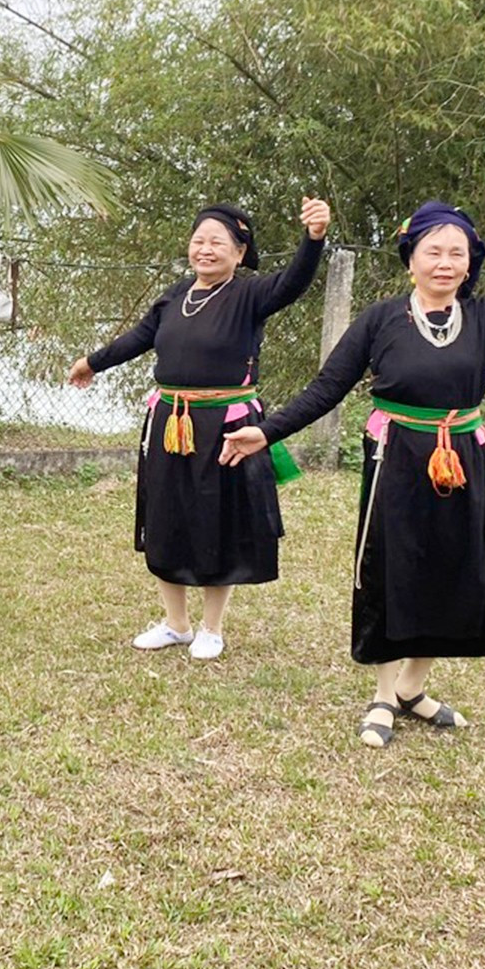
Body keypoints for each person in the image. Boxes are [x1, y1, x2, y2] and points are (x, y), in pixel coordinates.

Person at [222, 185, 485, 744]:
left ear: (470, 264)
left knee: (451, 571)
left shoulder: (484, 316)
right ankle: (384, 696)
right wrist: (264, 432)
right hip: (397, 459)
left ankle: (413, 687)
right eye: (433, 251)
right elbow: (328, 387)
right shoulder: (381, 320)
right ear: (410, 259)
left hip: (463, 459)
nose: (445, 262)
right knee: (395, 572)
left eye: (457, 252)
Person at [67, 198, 331, 660]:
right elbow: (137, 339)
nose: (205, 250)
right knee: (166, 517)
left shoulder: (250, 295)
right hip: (170, 422)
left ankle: (212, 627)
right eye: (198, 241)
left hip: (226, 424)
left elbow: (295, 282)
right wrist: (93, 362)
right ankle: (176, 624)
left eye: (217, 242)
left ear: (239, 251)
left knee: (218, 521)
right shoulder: (174, 296)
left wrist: (313, 240)